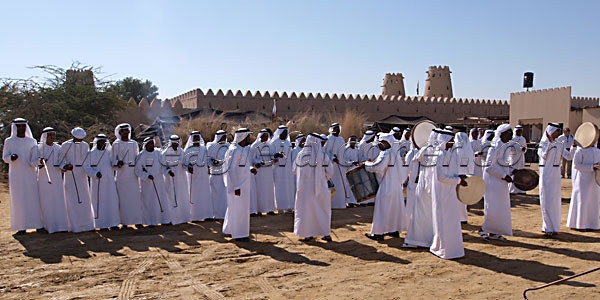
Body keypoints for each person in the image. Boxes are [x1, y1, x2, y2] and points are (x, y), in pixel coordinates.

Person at [364, 134, 409, 240]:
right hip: (396, 186)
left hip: (386, 185)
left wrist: (366, 164)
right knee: (393, 208)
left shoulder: (386, 153)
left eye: (381, 142)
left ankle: (378, 233)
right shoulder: (395, 154)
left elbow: (378, 167)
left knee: (382, 209)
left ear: (387, 143)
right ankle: (393, 230)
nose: (379, 145)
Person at [430, 129, 466, 259]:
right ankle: (444, 248)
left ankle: (453, 248)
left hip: (450, 193)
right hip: (442, 193)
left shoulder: (450, 154)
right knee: (443, 220)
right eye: (450, 141)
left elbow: (452, 171)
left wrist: (459, 177)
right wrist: (458, 180)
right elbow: (441, 177)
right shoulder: (439, 155)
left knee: (452, 221)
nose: (453, 143)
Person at [2, 118, 43, 234]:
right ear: (15, 127)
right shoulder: (9, 141)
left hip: (30, 174)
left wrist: (39, 161)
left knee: (33, 199)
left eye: (23, 126)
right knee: (19, 200)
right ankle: (21, 227)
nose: (21, 128)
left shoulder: (32, 141)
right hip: (16, 175)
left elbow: (34, 159)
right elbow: (5, 158)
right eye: (18, 126)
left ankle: (37, 225)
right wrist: (11, 158)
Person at [292, 133, 334, 242]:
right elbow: (330, 172)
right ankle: (326, 234)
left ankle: (307, 234)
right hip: (320, 189)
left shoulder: (301, 155)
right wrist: (323, 178)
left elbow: (294, 170)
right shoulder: (323, 156)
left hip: (304, 191)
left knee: (306, 212)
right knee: (323, 211)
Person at [403, 129, 439, 248]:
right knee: (415, 212)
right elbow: (409, 169)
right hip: (416, 185)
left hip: (424, 186)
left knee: (422, 213)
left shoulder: (432, 152)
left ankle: (420, 238)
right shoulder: (414, 153)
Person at [538, 123, 575, 237]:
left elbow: (568, 156)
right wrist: (550, 143)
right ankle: (547, 227)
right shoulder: (543, 144)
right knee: (546, 200)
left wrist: (574, 147)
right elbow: (544, 156)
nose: (559, 133)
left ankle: (554, 227)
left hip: (556, 175)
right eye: (557, 131)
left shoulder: (560, 143)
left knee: (554, 201)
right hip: (546, 174)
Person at [480, 124, 514, 241]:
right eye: (509, 133)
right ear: (502, 134)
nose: (512, 135)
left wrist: (512, 171)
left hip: (502, 182)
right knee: (491, 207)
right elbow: (489, 167)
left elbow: (504, 164)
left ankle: (494, 232)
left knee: (500, 207)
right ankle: (483, 229)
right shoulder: (494, 147)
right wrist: (504, 175)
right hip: (492, 182)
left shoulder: (507, 147)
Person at [222, 128, 256, 241]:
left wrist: (250, 169)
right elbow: (230, 170)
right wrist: (235, 186)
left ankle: (229, 229)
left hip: (243, 185)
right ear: (242, 138)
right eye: (247, 137)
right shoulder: (233, 150)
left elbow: (242, 165)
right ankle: (239, 234)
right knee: (238, 210)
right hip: (238, 186)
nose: (249, 139)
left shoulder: (242, 149)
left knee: (237, 208)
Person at [60, 127, 95, 232]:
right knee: (72, 200)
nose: (79, 141)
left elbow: (87, 160)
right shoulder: (65, 145)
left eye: (81, 139)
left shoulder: (85, 145)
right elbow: (60, 160)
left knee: (85, 199)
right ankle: (74, 225)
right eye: (77, 139)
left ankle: (87, 224)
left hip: (82, 176)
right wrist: (65, 166)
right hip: (70, 176)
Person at [33, 127, 68, 233]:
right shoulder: (38, 148)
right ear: (45, 136)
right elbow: (32, 162)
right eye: (50, 135)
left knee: (58, 201)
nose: (52, 137)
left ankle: (61, 226)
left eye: (53, 135)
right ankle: (47, 226)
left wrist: (64, 167)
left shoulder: (58, 147)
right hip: (44, 178)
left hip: (56, 178)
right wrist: (40, 161)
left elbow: (61, 161)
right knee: (46, 202)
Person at [84, 134, 120, 230]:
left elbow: (114, 164)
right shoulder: (91, 154)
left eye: (104, 142)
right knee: (99, 202)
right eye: (100, 142)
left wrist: (118, 163)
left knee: (111, 201)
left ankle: (113, 223)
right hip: (98, 182)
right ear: (96, 143)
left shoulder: (109, 153)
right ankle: (101, 224)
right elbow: (86, 167)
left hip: (110, 182)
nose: (103, 144)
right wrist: (95, 173)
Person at [112, 123, 143, 228]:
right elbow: (113, 159)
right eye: (123, 130)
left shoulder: (133, 143)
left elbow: (137, 157)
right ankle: (125, 222)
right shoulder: (116, 144)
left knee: (135, 197)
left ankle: (137, 220)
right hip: (122, 174)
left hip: (133, 174)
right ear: (119, 132)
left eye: (127, 130)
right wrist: (118, 163)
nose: (126, 132)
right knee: (123, 198)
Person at [135, 137, 170, 226]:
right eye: (149, 144)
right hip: (147, 184)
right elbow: (138, 170)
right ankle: (150, 221)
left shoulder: (158, 153)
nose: (151, 145)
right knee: (149, 201)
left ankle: (164, 219)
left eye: (152, 143)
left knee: (162, 199)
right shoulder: (141, 156)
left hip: (159, 181)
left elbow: (163, 165)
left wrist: (167, 171)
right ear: (145, 145)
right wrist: (146, 175)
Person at [566, 142, 599, 231]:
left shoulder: (597, 151)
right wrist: (591, 167)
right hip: (583, 180)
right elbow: (577, 165)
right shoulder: (580, 151)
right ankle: (579, 224)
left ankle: (592, 224)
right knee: (582, 201)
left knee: (593, 202)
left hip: (594, 180)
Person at [162, 135, 191, 225]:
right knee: (171, 197)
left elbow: (185, 163)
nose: (176, 145)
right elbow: (163, 166)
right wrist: (168, 171)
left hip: (181, 178)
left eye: (177, 143)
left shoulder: (182, 152)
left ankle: (183, 218)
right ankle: (172, 218)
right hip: (170, 179)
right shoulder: (165, 153)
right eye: (174, 143)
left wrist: (189, 168)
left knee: (182, 196)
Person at [183, 131, 212, 222]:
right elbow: (184, 164)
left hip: (203, 176)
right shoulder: (187, 150)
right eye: (195, 138)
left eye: (198, 137)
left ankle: (207, 215)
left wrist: (212, 162)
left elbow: (208, 160)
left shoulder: (204, 149)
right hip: (193, 176)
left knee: (205, 194)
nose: (197, 139)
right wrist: (189, 168)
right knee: (194, 195)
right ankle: (195, 216)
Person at [251, 129, 277, 215]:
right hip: (260, 171)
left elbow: (272, 155)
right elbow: (252, 158)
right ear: (260, 136)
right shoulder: (254, 146)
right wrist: (257, 162)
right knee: (260, 189)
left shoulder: (270, 145)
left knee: (269, 189)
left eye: (267, 136)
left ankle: (269, 209)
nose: (266, 138)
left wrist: (274, 159)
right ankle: (259, 209)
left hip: (268, 170)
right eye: (264, 136)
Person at [270, 125, 295, 212]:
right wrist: (275, 157)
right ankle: (280, 207)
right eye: (283, 132)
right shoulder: (274, 143)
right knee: (279, 187)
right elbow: (271, 155)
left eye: (286, 133)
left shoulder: (288, 143)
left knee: (288, 187)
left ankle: (288, 206)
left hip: (288, 170)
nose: (285, 134)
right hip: (278, 170)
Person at [323, 123, 348, 209]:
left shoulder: (341, 139)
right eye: (336, 128)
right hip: (332, 165)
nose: (337, 130)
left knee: (341, 184)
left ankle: (341, 203)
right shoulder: (329, 139)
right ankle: (332, 204)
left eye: (338, 128)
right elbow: (325, 151)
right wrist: (333, 158)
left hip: (341, 166)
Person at [206, 130, 230, 219]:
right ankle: (215, 214)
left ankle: (225, 214)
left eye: (225, 137)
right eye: (222, 137)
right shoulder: (210, 146)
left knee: (225, 194)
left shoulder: (228, 146)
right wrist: (213, 162)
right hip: (215, 173)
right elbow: (207, 159)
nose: (224, 138)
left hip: (225, 173)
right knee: (215, 194)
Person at [453, 131, 475, 224]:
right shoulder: (469, 149)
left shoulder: (456, 149)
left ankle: (458, 218)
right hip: (466, 176)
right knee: (462, 199)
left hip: (457, 176)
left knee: (458, 198)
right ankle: (463, 217)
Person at [509, 125, 528, 194]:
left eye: (520, 131)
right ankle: (512, 189)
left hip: (521, 158)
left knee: (521, 173)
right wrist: (519, 149)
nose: (519, 132)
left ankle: (521, 189)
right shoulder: (512, 139)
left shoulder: (523, 139)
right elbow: (509, 149)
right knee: (514, 173)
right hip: (514, 158)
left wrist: (524, 150)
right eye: (518, 131)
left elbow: (525, 148)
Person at [342, 136, 360, 207]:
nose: (353, 143)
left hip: (356, 170)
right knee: (349, 186)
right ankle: (349, 202)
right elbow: (345, 161)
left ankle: (355, 201)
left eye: (354, 141)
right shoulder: (346, 150)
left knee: (356, 186)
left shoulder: (356, 150)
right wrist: (352, 162)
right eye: (351, 141)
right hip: (348, 170)